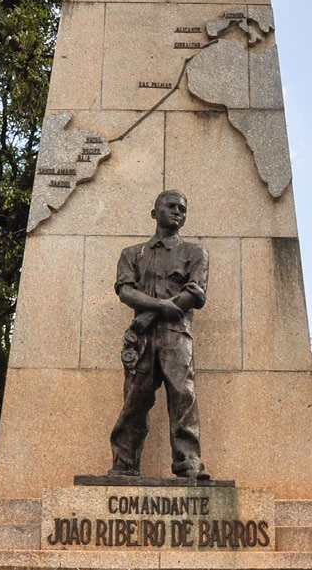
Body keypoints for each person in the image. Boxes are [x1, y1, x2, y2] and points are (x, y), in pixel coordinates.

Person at [108, 190, 210, 479]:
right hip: (140, 340)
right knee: (135, 400)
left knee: (182, 395)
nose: (177, 212)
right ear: (155, 213)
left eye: (182, 208)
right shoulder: (132, 254)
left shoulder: (195, 252)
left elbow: (195, 293)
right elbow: (125, 291)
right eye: (171, 206)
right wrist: (160, 307)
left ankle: (189, 462)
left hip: (176, 335)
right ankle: (125, 462)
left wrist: (153, 312)